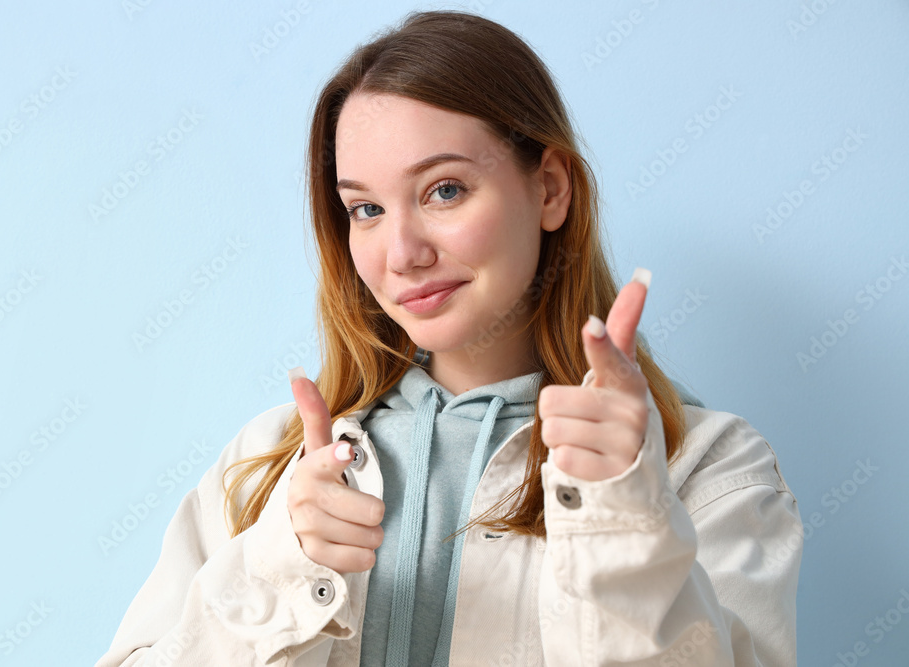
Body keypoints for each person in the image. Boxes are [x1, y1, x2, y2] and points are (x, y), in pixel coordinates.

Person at [95, 9, 802, 666]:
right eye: (365, 208)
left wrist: (620, 521)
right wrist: (280, 565)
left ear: (550, 188)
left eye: (444, 190)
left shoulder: (706, 468)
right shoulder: (265, 465)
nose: (401, 251)